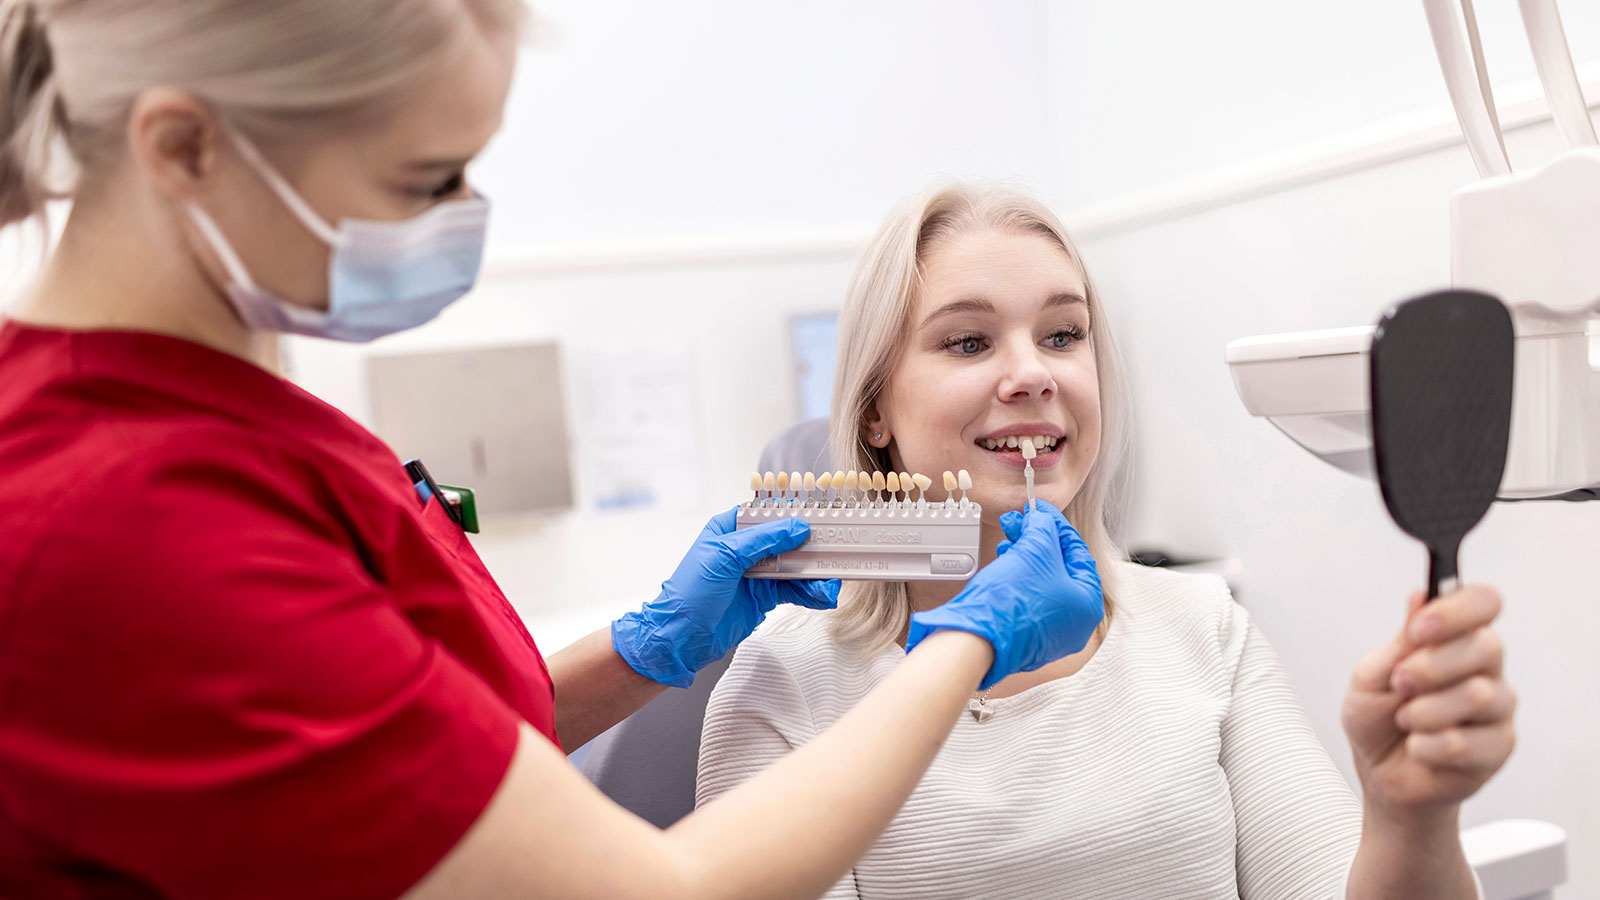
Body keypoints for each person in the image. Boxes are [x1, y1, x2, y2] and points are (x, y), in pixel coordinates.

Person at [0, 4, 1108, 898]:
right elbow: (661, 887)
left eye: (1063, 334)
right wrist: (967, 645)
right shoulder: (128, 517)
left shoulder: (237, 416)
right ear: (184, 147)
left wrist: (641, 651)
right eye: (425, 179)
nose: (464, 216)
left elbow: (403, 753)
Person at [697, 182, 1517, 899]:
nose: (1035, 373)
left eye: (1062, 335)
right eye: (969, 341)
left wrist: (1410, 819)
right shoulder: (784, 682)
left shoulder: (1203, 626)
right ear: (874, 405)